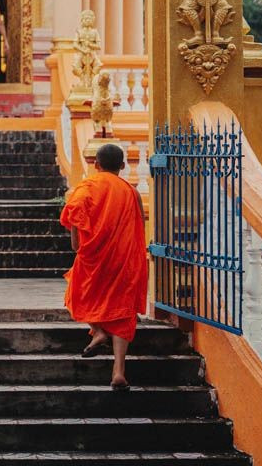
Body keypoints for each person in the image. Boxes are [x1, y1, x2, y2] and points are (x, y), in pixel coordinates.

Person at [60, 143, 147, 390]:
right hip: (124, 260)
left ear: (96, 164)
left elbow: (75, 215)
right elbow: (139, 224)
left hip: (94, 258)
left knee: (77, 293)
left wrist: (78, 244)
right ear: (122, 166)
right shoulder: (131, 192)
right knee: (122, 312)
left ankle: (97, 330)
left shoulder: (86, 188)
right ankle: (118, 371)